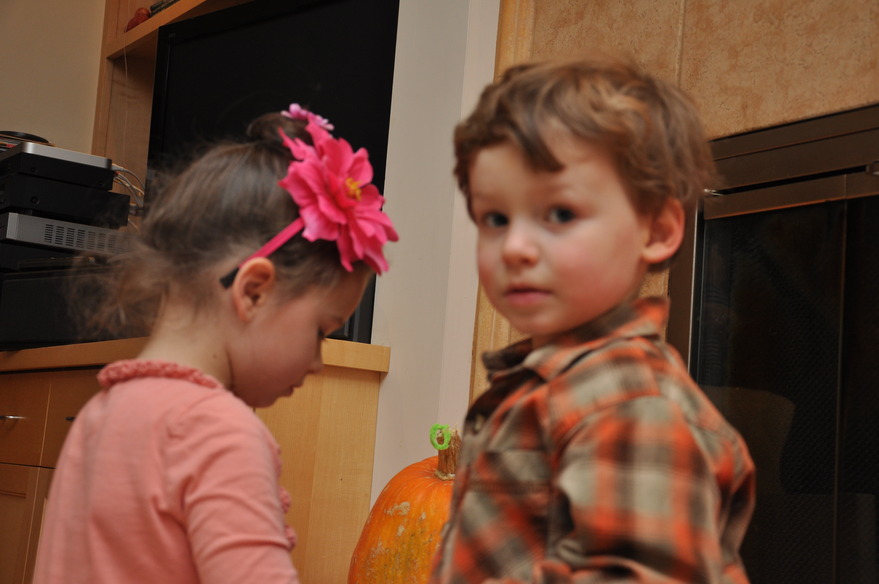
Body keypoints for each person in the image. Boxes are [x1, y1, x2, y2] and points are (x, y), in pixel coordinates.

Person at [32, 105, 398, 584]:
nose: (316, 363)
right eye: (321, 332)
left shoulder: (98, 415)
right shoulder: (218, 434)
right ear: (254, 291)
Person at [429, 55, 755, 583]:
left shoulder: (632, 407)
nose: (514, 247)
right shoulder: (547, 385)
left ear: (656, 231)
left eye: (559, 213)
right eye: (495, 218)